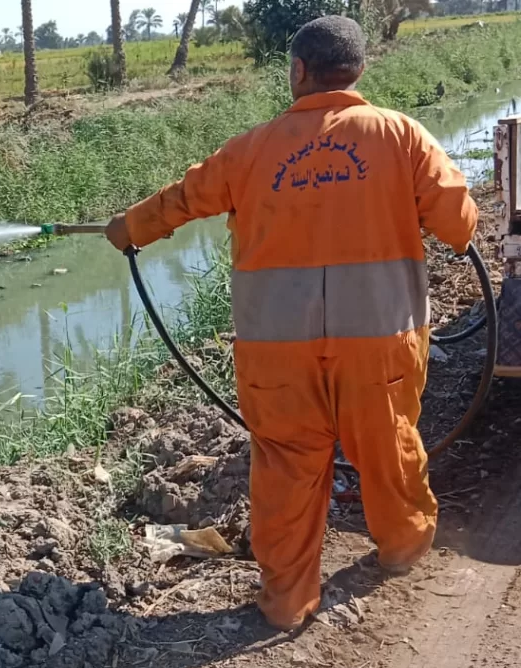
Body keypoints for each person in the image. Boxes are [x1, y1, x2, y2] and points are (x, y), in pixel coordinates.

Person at [105, 15, 477, 631]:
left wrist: (127, 229)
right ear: (358, 71)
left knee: (285, 469)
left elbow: (182, 198)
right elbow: (459, 227)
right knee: (389, 446)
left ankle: (286, 601)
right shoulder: (403, 137)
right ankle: (403, 547)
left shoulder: (251, 149)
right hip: (379, 341)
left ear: (299, 72)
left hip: (275, 348)